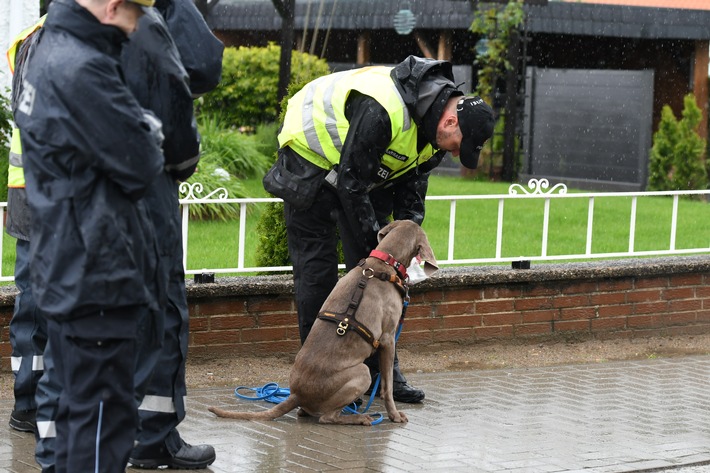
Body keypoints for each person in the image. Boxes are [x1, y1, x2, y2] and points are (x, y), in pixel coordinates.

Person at [263, 55, 495, 403]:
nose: (452, 153)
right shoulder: (383, 108)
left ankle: (384, 376)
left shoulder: (432, 133)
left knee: (381, 281)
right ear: (450, 121)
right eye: (457, 146)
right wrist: (378, 252)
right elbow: (350, 184)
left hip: (360, 174)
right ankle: (323, 377)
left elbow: (410, 200)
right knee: (318, 273)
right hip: (309, 163)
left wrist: (404, 255)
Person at [12, 0, 166, 471]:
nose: (136, 30)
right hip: (98, 268)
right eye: (135, 18)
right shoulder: (85, 68)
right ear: (111, 7)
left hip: (65, 258)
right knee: (103, 421)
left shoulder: (45, 51)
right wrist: (150, 130)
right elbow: (143, 164)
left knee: (75, 408)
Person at [6, 16, 46, 435]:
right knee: (36, 305)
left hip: (44, 191)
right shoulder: (44, 37)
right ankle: (29, 404)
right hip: (39, 194)